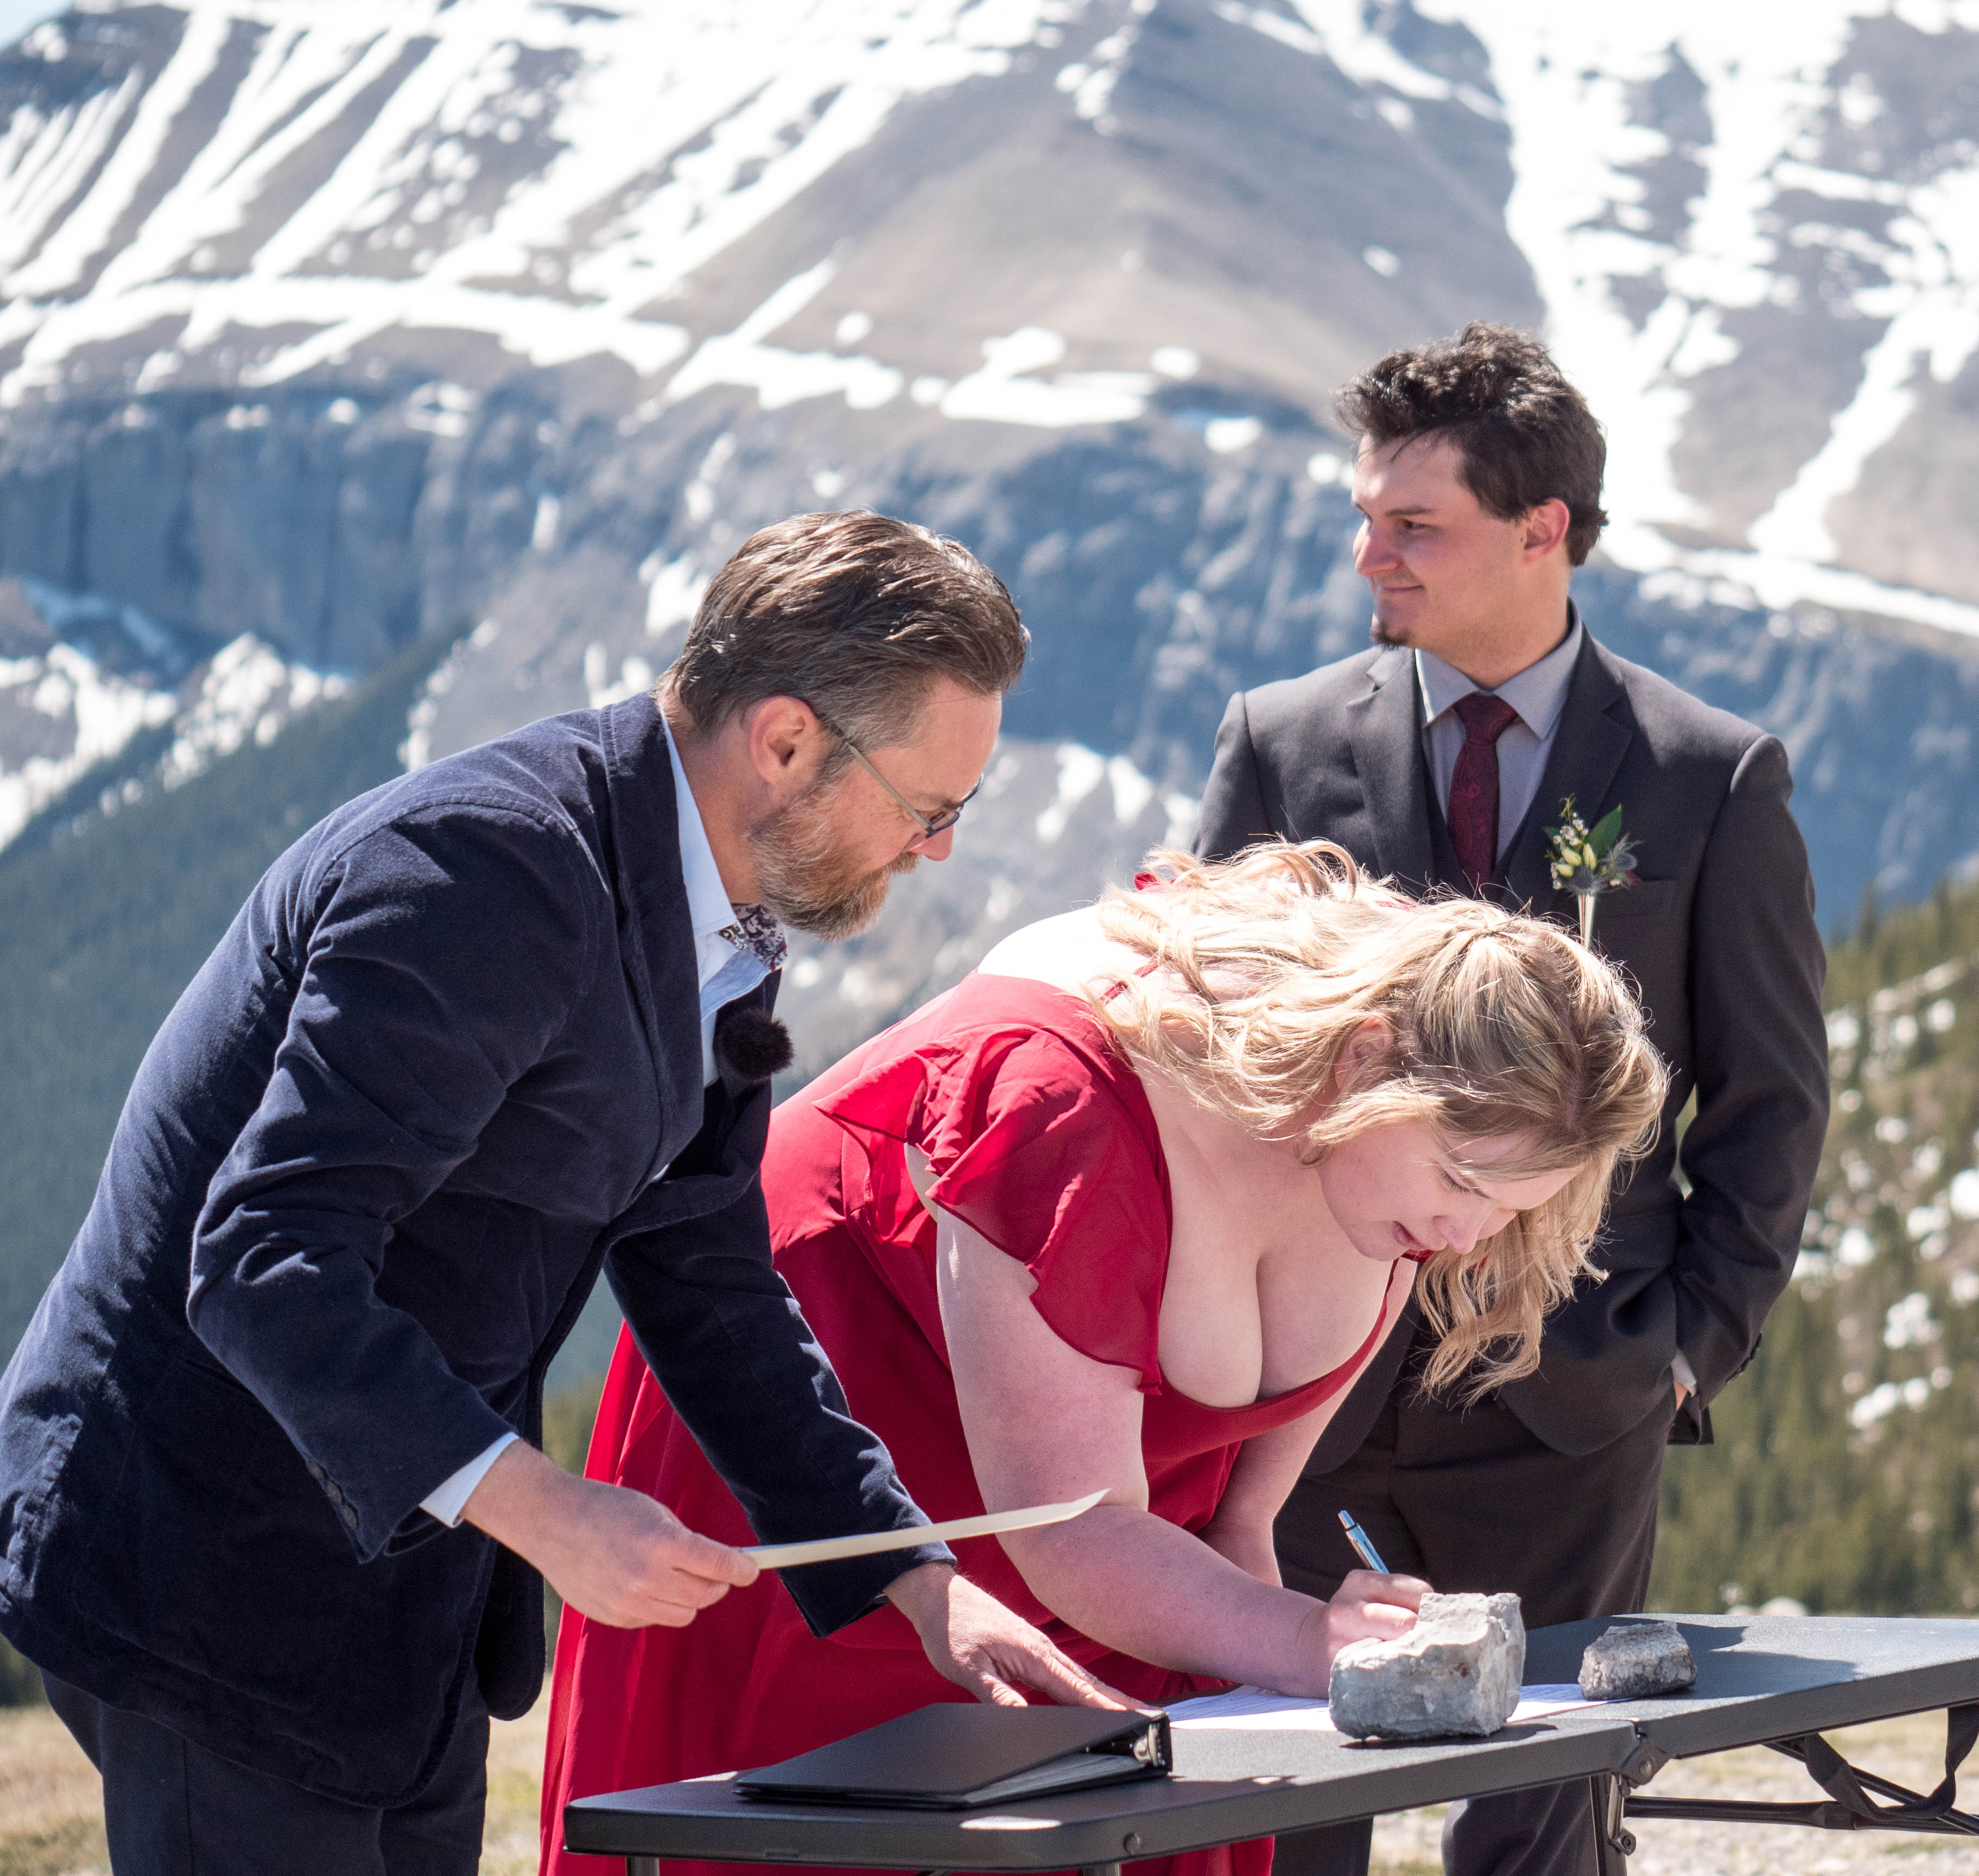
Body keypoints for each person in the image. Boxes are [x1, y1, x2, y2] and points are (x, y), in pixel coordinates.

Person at [0, 511, 1116, 1874]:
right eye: (930, 807)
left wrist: (909, 1573)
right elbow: (262, 1260)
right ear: (784, 742)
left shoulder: (730, 910)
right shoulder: (486, 874)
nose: (936, 849)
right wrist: (550, 1512)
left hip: (400, 1594)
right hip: (209, 1566)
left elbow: (706, 1270)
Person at [540, 841, 1667, 1876]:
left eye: (1513, 1206)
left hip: (1105, 1519)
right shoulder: (1068, 1102)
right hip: (836, 1389)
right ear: (1363, 1059)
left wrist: (1288, 1626)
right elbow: (1069, 1531)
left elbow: (1231, 1522)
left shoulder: (1417, 1131)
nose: (1468, 1237)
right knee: (835, 1825)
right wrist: (1307, 1641)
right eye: (1461, 1184)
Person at [1196, 324, 1831, 1876]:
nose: (1371, 556)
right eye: (1366, 517)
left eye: (1414, 525)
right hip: (1302, 1393)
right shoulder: (1281, 744)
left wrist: (1685, 1348)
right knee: (1277, 1813)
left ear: (1543, 530)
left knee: (1546, 1832)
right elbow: (1206, 1047)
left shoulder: (1707, 776)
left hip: (1573, 1397)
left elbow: (1771, 1098)